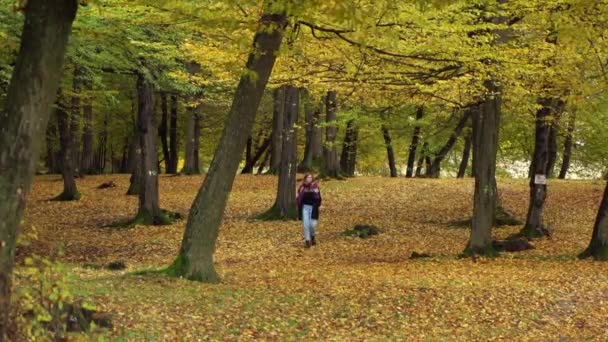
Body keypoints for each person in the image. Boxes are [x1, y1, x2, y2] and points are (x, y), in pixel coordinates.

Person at [297, 174, 322, 248]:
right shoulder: (302, 187)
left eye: (311, 177)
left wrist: (316, 193)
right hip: (305, 208)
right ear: (305, 178)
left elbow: (319, 198)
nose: (309, 178)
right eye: (308, 177)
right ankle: (307, 240)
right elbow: (298, 197)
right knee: (306, 225)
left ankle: (312, 236)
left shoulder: (315, 187)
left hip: (313, 208)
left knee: (312, 225)